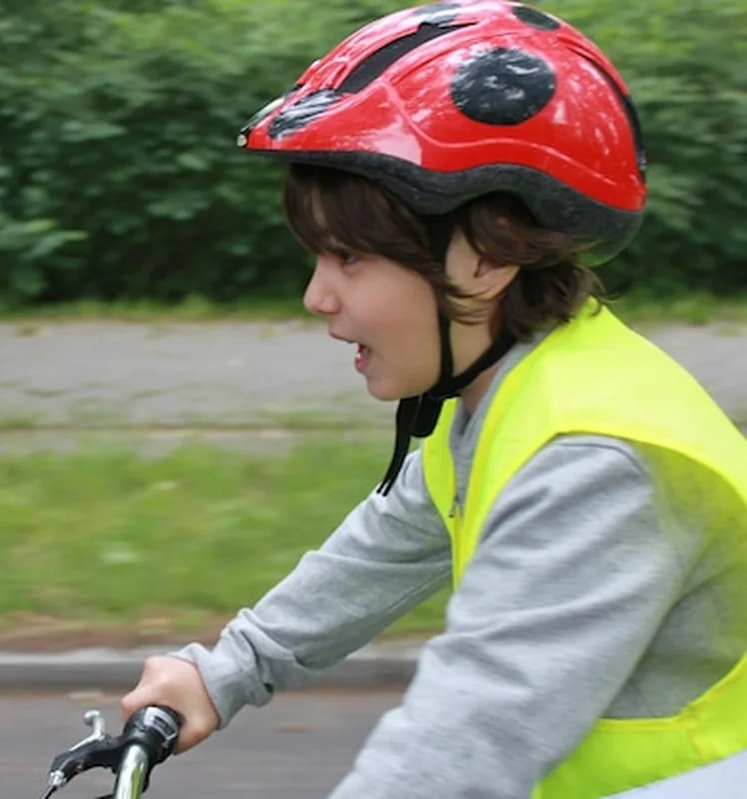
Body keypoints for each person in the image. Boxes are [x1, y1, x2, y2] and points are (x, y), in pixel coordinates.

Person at [118, 2, 747, 798]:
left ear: (484, 257)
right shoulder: (513, 389)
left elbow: (463, 742)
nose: (317, 296)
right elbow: (388, 543)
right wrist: (226, 671)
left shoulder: (597, 464)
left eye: (347, 257)